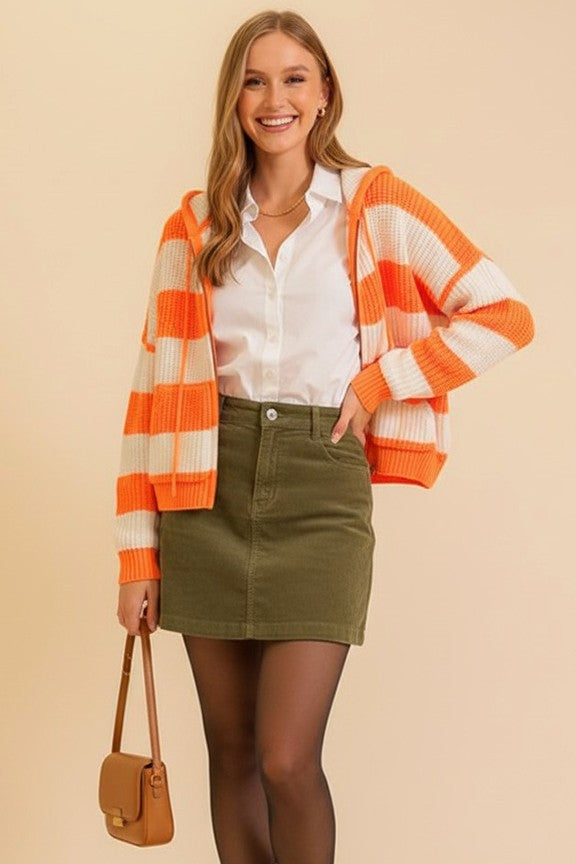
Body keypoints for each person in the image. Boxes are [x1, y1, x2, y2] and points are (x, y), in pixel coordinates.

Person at [114, 9, 534, 864]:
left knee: (286, 758)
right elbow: (150, 397)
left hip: (319, 492)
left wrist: (383, 381)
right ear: (233, 99)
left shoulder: (375, 205)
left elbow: (505, 314)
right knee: (231, 755)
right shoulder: (194, 226)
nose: (275, 99)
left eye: (294, 78)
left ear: (324, 92)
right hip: (205, 489)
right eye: (255, 81)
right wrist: (136, 558)